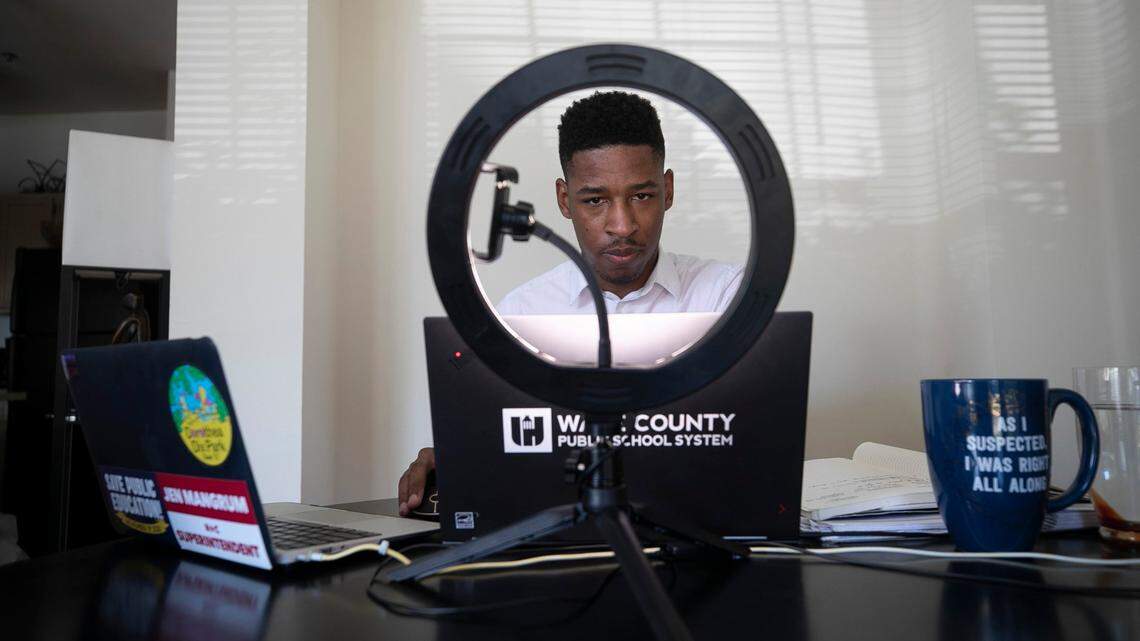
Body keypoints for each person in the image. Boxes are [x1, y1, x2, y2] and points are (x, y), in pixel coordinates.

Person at [397, 91, 741, 515]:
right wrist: (460, 453)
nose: (622, 225)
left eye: (641, 196)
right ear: (564, 200)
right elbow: (496, 442)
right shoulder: (520, 315)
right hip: (563, 538)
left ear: (667, 190)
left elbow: (748, 436)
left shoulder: (726, 296)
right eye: (595, 200)